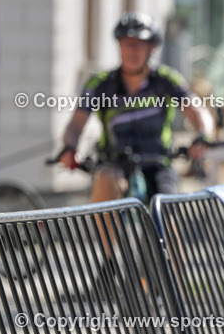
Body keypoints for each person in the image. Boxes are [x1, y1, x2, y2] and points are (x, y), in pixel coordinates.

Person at [57, 12, 213, 203]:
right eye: (126, 43)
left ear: (152, 48)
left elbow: (198, 111)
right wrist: (70, 147)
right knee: (106, 181)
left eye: (138, 44)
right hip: (113, 164)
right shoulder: (101, 83)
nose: (131, 50)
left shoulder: (166, 80)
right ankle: (104, 234)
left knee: (168, 214)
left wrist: (202, 136)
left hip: (157, 164)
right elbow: (76, 125)